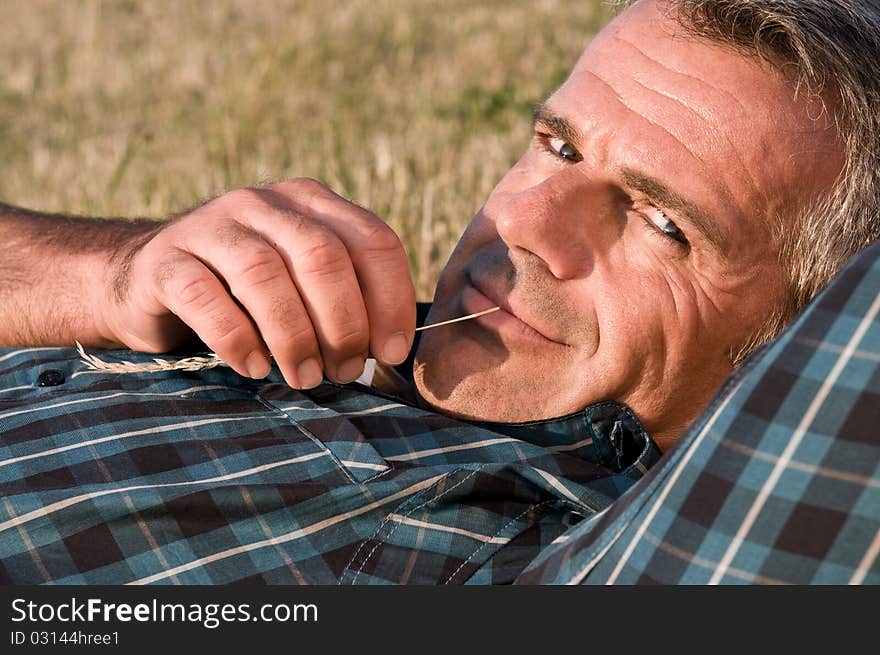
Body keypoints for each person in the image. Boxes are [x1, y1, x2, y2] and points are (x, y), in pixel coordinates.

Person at [0, 0, 877, 584]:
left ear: (805, 349)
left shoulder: (579, 552)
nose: (525, 220)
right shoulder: (293, 311)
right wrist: (105, 273)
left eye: (660, 221)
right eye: (557, 147)